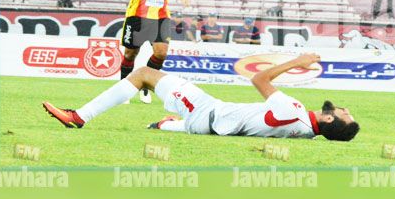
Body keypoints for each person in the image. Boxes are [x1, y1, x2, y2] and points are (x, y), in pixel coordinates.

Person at [42, 53, 360, 141]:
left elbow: (259, 77)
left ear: (330, 118)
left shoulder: (293, 110)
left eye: (345, 114)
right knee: (174, 124)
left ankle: (79, 116)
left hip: (208, 112)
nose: (345, 108)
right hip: (209, 127)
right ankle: (166, 125)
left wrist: (297, 62)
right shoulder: (306, 133)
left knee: (143, 75)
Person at [117, 0, 190, 104]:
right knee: (130, 54)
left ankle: (144, 86)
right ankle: (122, 89)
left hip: (161, 16)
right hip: (138, 15)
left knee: (161, 53)